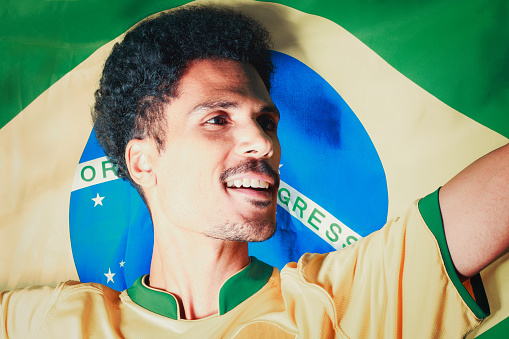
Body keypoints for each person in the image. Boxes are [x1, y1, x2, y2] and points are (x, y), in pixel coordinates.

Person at [1, 4, 508, 338]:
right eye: (217, 119)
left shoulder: (340, 305)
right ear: (142, 161)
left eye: (266, 120)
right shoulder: (56, 324)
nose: (263, 142)